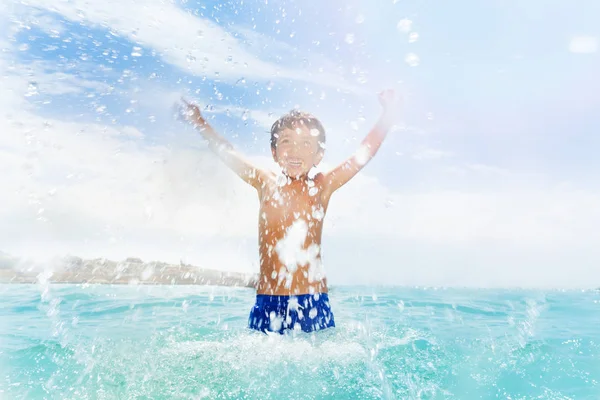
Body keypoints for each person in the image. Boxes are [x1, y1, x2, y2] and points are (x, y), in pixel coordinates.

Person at [180, 89, 397, 334]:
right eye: (286, 141)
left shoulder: (322, 187)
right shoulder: (265, 183)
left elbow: (363, 154)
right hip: (268, 301)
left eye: (306, 144)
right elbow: (227, 151)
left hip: (313, 301)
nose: (296, 151)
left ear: (318, 155)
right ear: (274, 152)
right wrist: (199, 121)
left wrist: (387, 114)